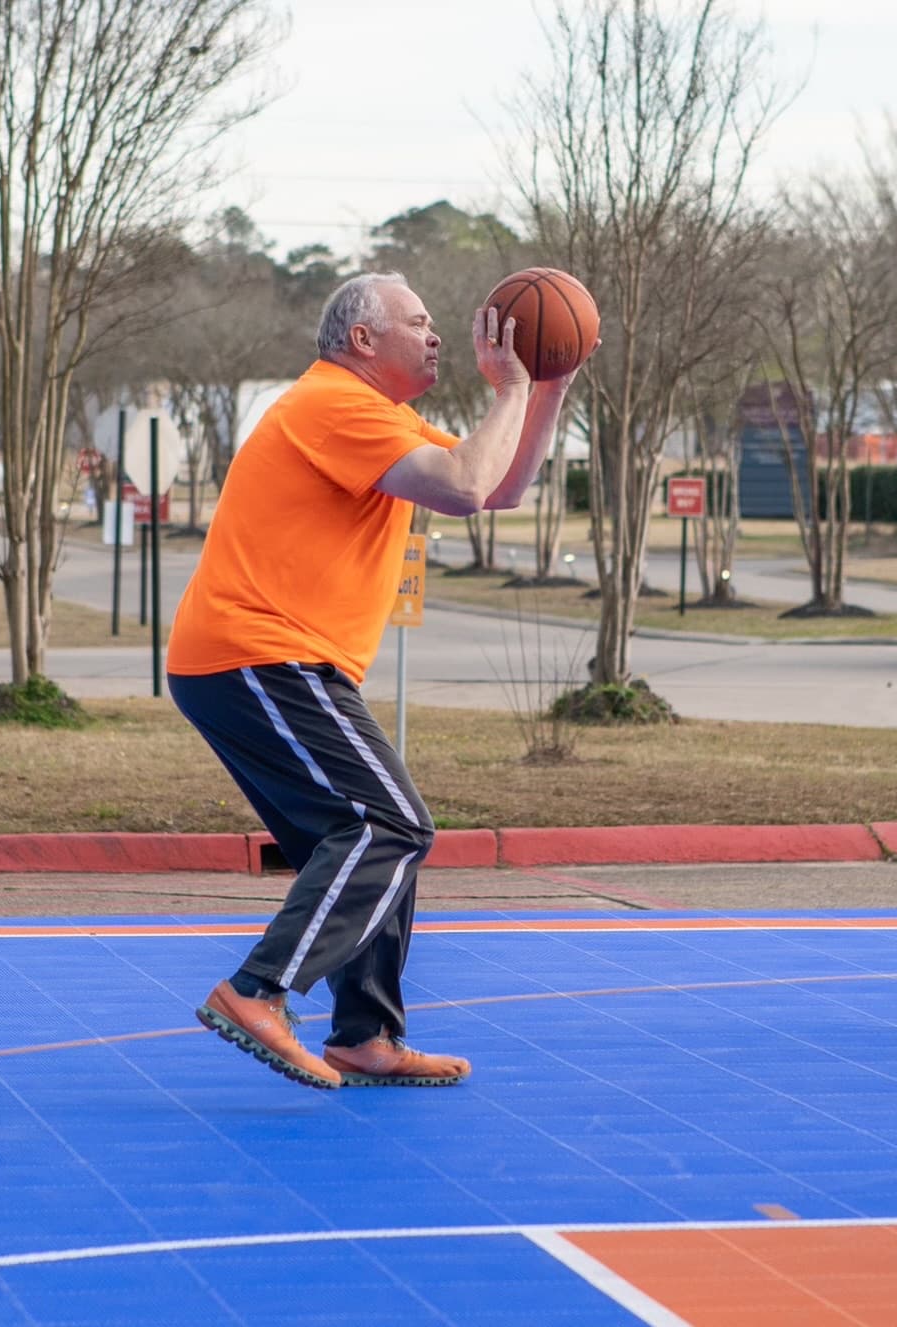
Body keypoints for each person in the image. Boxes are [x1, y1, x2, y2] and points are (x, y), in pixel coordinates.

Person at [169, 272, 587, 1091]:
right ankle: (256, 991)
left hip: (272, 659)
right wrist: (508, 386)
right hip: (258, 652)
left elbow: (496, 486)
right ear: (363, 340)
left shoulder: (380, 418)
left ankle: (365, 1036)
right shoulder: (335, 403)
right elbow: (467, 484)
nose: (436, 336)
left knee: (367, 841)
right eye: (419, 322)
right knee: (388, 822)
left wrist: (545, 391)